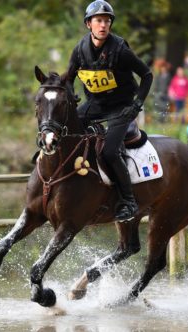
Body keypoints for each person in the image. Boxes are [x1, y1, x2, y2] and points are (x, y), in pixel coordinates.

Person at [66, 0, 153, 221]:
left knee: (110, 151)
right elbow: (68, 78)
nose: (103, 25)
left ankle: (129, 201)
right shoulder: (79, 50)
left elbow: (147, 75)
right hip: (95, 105)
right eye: (98, 21)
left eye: (106, 21)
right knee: (67, 127)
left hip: (121, 107)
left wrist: (136, 105)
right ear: (88, 24)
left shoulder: (121, 50)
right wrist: (70, 95)